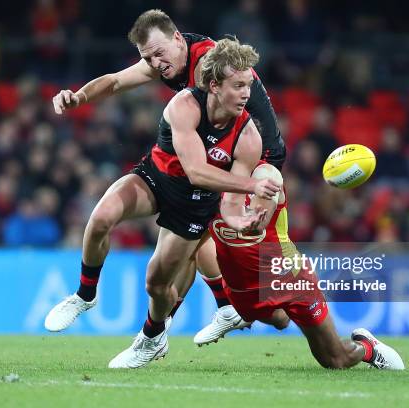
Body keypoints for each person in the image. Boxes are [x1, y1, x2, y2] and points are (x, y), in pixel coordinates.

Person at [47, 9, 286, 342]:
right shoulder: (170, 60)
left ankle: (184, 322)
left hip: (256, 159)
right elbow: (116, 81)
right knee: (188, 243)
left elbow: (222, 110)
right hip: (210, 160)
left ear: (177, 38)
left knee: (259, 299)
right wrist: (80, 97)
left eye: (159, 53)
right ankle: (212, 309)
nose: (155, 63)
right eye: (148, 58)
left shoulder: (207, 69)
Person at [203, 162, 405, 370]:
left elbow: (256, 225)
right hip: (244, 287)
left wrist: (242, 218)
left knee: (334, 359)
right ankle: (235, 310)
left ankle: (368, 348)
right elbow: (193, 240)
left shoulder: (265, 176)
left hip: (289, 276)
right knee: (280, 321)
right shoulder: (206, 179)